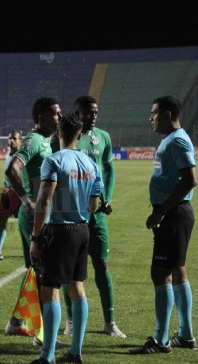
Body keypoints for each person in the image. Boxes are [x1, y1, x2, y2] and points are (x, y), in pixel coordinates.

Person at [20, 113, 103, 364]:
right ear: (79, 135)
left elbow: (44, 200)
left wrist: (36, 237)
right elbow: (94, 203)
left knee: (50, 289)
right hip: (82, 229)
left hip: (60, 230)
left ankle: (47, 357)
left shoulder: (53, 161)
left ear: (58, 133)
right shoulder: (91, 164)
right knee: (77, 287)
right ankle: (76, 351)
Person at [130, 95, 196, 355]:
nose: (151, 118)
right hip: (175, 214)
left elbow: (190, 179)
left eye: (154, 113)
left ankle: (160, 340)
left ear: (168, 114)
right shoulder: (171, 139)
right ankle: (187, 336)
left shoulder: (178, 140)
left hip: (174, 215)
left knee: (160, 273)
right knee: (177, 271)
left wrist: (162, 211)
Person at [57, 95, 126, 338]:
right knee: (70, 271)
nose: (93, 116)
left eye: (95, 112)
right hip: (73, 215)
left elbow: (108, 169)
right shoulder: (64, 138)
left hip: (96, 215)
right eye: (87, 112)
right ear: (76, 113)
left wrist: (107, 197)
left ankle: (110, 321)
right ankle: (71, 321)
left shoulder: (103, 137)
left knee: (102, 264)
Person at [3, 97, 66, 350]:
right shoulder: (33, 140)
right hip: (35, 215)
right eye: (55, 113)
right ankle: (42, 337)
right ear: (41, 116)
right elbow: (12, 169)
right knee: (42, 274)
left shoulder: (46, 142)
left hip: (39, 214)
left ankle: (17, 322)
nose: (59, 117)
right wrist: (27, 199)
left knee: (34, 271)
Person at [0, 130, 22, 260]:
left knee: (26, 224)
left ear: (20, 140)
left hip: (20, 196)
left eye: (14, 138)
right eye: (10, 138)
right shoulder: (8, 155)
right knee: (2, 221)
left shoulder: (22, 156)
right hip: (7, 194)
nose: (11, 141)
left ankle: (36, 250)